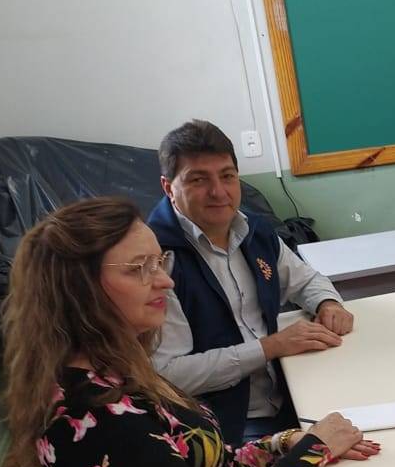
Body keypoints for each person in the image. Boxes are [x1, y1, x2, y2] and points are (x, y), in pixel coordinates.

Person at [2, 197, 379, 467]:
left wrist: (286, 444)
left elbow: (206, 465)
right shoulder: (96, 420)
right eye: (138, 268)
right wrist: (311, 451)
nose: (165, 281)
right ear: (78, 291)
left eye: (158, 262)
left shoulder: (115, 370)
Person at [148, 120, 354, 446]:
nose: (219, 192)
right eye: (199, 180)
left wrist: (327, 303)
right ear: (168, 187)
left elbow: (305, 280)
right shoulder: (157, 260)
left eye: (227, 176)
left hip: (293, 392)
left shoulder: (255, 231)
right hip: (223, 426)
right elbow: (168, 374)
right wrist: (270, 347)